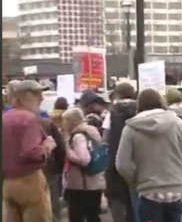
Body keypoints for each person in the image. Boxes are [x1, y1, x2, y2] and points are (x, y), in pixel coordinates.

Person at [116, 89, 182, 222]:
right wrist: (180, 174)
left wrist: (135, 179)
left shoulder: (130, 128)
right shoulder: (178, 123)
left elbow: (122, 164)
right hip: (175, 190)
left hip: (148, 192)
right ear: (161, 102)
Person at [2, 80, 56, 222]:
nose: (41, 98)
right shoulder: (28, 118)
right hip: (29, 181)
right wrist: (47, 146)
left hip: (8, 183)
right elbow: (31, 153)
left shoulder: (4, 118)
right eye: (37, 94)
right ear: (26, 96)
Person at [62, 107, 105, 222]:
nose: (63, 124)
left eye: (65, 121)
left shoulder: (78, 137)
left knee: (77, 216)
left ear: (72, 121)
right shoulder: (92, 132)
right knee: (93, 215)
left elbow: (85, 159)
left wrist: (68, 151)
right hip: (95, 182)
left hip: (81, 184)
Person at [104, 83, 139, 222]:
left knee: (118, 199)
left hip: (115, 162)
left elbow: (105, 138)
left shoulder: (111, 113)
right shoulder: (141, 110)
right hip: (138, 161)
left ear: (117, 94)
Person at [39, 110, 66, 222]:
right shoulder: (47, 124)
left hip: (17, 176)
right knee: (52, 205)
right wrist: (59, 169)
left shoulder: (6, 122)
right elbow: (60, 149)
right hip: (48, 171)